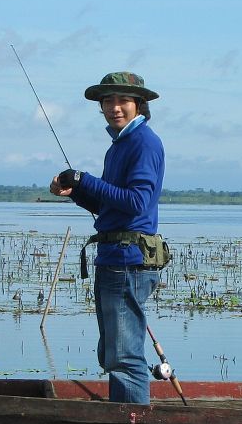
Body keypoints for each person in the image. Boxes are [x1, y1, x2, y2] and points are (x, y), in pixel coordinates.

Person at [49, 72, 169, 404]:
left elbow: (137, 202)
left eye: (122, 100)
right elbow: (110, 207)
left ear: (138, 105)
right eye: (107, 101)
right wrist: (76, 191)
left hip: (129, 263)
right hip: (115, 257)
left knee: (124, 356)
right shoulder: (119, 145)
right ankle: (124, 416)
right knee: (113, 352)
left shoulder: (144, 142)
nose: (114, 107)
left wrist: (84, 178)